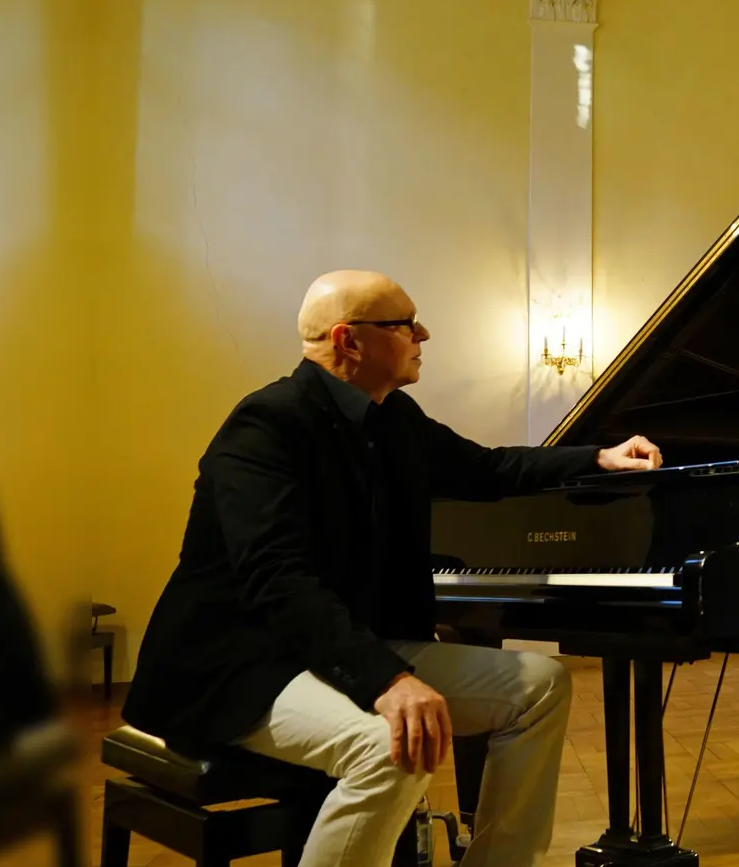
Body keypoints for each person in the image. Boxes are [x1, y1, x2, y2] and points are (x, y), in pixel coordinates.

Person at [124, 270, 663, 867]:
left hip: (342, 647)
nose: (423, 334)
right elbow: (276, 581)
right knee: (393, 746)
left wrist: (596, 455)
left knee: (539, 685)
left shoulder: (392, 418)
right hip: (241, 664)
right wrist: (388, 680)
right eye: (404, 324)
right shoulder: (265, 427)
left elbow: (489, 469)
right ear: (348, 341)